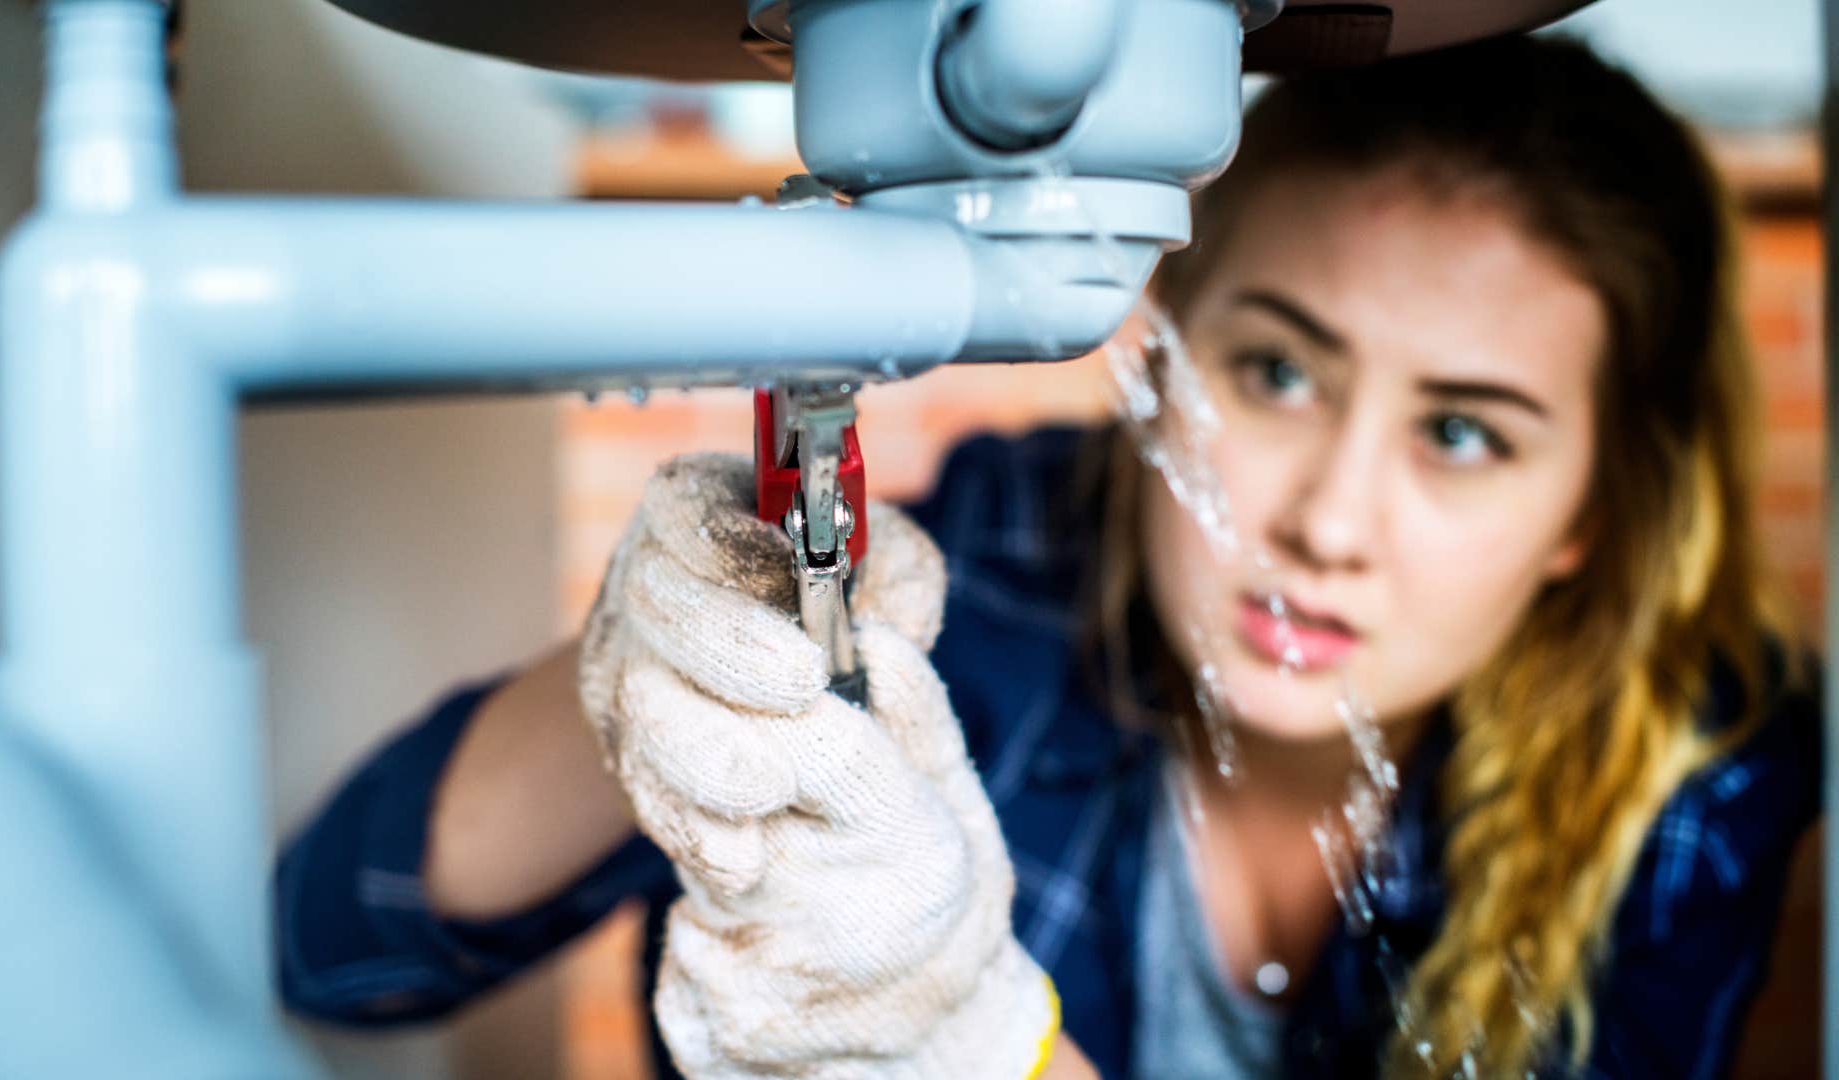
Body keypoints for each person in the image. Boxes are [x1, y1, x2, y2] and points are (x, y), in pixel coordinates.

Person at [273, 35, 1822, 1079]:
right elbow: (334, 948)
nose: (1327, 524)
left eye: (1464, 434)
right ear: (1159, 349)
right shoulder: (997, 571)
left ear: (1591, 519)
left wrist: (964, 1040)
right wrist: (634, 681)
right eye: (1278, 373)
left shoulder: (1684, 773)